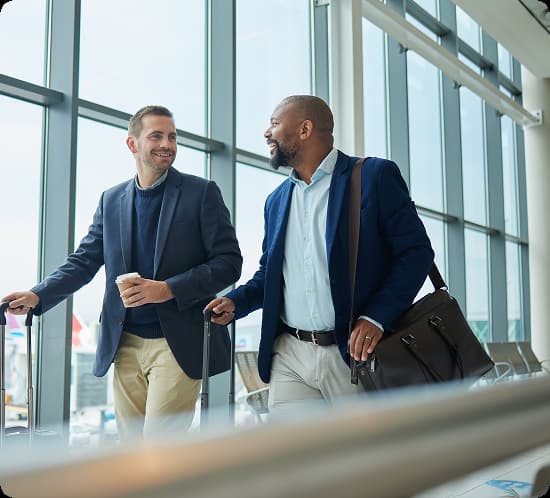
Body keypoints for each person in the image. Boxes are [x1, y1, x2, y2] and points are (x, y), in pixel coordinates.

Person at [2, 105, 242, 440]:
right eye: (156, 135)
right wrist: (38, 294)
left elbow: (229, 262)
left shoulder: (201, 193)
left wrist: (168, 288)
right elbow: (84, 260)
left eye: (172, 136)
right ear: (132, 144)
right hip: (124, 342)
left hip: (178, 343)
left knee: (159, 452)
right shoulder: (111, 199)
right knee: (130, 454)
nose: (167, 144)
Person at [206, 95, 433, 415]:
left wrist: (376, 317)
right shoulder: (277, 201)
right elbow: (270, 274)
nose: (266, 133)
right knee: (296, 462)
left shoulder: (373, 177)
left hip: (354, 354)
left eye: (274, 123)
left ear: (305, 129)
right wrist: (237, 303)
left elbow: (416, 252)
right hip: (290, 356)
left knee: (360, 460)